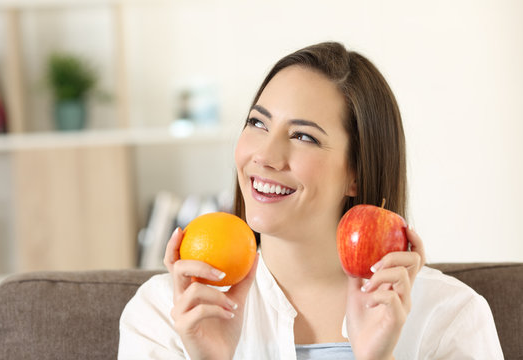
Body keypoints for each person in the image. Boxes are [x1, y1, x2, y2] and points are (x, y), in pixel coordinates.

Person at [118, 42, 503, 359]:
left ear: (355, 171)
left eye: (304, 137)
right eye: (257, 123)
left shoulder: (448, 316)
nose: (264, 156)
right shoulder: (166, 314)